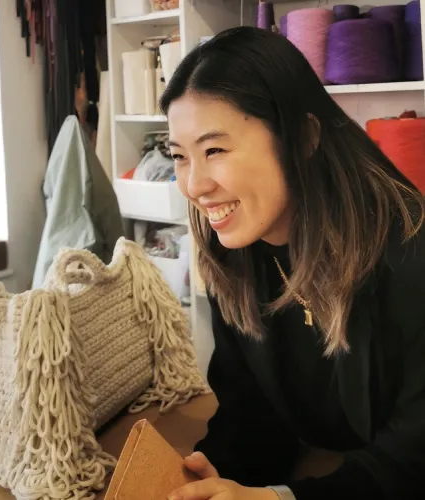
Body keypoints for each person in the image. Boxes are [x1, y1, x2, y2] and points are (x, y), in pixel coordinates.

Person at [160, 26, 425, 500]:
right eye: (180, 156)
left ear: (303, 137)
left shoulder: (408, 252)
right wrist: (215, 473)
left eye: (214, 150)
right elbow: (249, 411)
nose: (194, 185)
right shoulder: (234, 252)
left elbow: (413, 459)